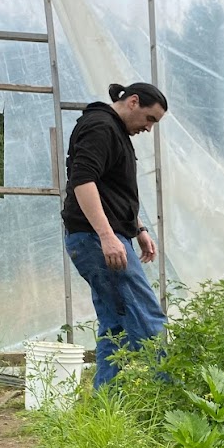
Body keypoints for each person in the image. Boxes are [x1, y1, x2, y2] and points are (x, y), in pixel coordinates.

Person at [62, 82, 169, 389]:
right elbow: (84, 182)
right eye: (150, 119)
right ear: (133, 102)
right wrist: (108, 236)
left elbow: (114, 190)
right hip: (97, 239)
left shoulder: (114, 131)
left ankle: (106, 401)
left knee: (116, 324)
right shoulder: (100, 127)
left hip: (99, 237)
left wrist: (139, 229)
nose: (149, 128)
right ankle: (172, 397)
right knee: (148, 319)